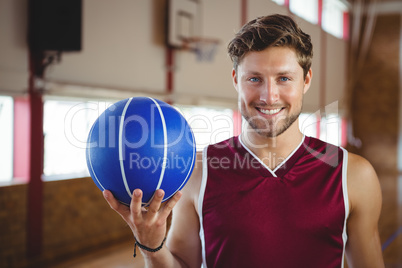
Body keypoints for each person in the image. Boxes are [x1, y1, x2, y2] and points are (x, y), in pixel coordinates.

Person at [103, 14, 384, 268]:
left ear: (306, 80)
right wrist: (152, 247)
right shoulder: (199, 171)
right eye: (255, 79)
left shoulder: (352, 175)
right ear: (236, 79)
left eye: (284, 78)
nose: (269, 96)